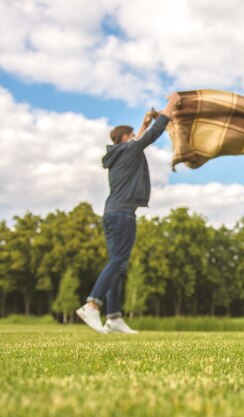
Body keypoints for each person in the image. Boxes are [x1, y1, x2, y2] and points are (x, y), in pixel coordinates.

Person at [76, 93, 181, 334]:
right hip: (123, 215)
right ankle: (92, 304)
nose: (136, 137)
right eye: (132, 134)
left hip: (113, 213)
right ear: (125, 137)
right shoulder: (129, 149)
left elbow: (140, 137)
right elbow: (152, 135)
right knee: (118, 262)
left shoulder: (118, 154)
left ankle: (114, 318)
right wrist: (171, 105)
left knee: (117, 265)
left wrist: (142, 124)